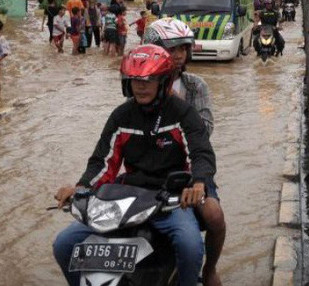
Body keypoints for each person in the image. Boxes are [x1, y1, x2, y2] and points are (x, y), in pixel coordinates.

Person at [53, 44, 217, 286]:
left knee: (190, 246)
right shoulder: (120, 116)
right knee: (64, 244)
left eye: (149, 79)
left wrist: (198, 182)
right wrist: (80, 187)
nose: (140, 86)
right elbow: (103, 161)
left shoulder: (183, 113)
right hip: (128, 199)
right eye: (135, 79)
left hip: (170, 199)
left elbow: (201, 152)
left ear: (163, 81)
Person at [143, 19, 225, 286]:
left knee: (214, 215)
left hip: (191, 168)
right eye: (171, 48)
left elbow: (207, 129)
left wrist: (175, 105)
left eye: (182, 48)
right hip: (151, 169)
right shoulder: (141, 83)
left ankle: (210, 269)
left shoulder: (195, 86)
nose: (178, 54)